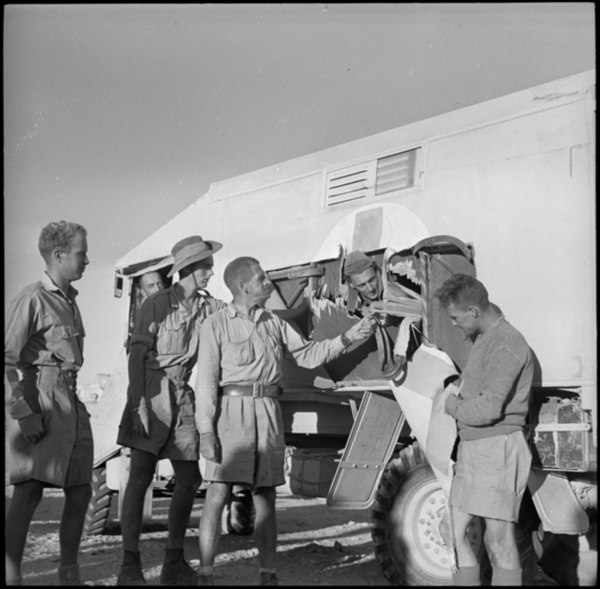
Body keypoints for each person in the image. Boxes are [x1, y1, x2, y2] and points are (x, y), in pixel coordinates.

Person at [194, 256, 374, 586]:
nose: (269, 283)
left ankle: (268, 574)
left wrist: (352, 335)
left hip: (268, 412)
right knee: (218, 493)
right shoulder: (216, 324)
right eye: (262, 278)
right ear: (242, 286)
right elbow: (205, 381)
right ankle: (206, 573)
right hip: (230, 414)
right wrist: (206, 430)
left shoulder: (274, 323)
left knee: (266, 496)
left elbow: (308, 355)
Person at [116, 235, 226, 586]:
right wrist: (138, 404)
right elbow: (136, 354)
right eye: (206, 266)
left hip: (182, 394)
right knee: (141, 477)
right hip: (151, 390)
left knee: (190, 478)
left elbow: (237, 313)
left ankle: (173, 562)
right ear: (190, 269)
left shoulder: (209, 307)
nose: (211, 271)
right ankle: (129, 565)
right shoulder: (157, 304)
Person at [5, 221, 92, 586]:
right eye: (81, 253)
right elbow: (6, 361)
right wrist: (25, 416)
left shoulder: (69, 300)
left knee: (80, 489)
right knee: (29, 491)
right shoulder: (33, 299)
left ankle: (68, 577)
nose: (87, 260)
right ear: (58, 256)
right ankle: (11, 577)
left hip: (71, 401)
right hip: (39, 399)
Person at [434, 273, 533, 586]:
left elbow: (489, 408)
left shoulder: (508, 343)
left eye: (455, 317)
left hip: (497, 447)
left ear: (473, 311)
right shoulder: (484, 339)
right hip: (474, 447)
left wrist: (451, 405)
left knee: (499, 542)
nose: (453, 324)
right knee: (452, 530)